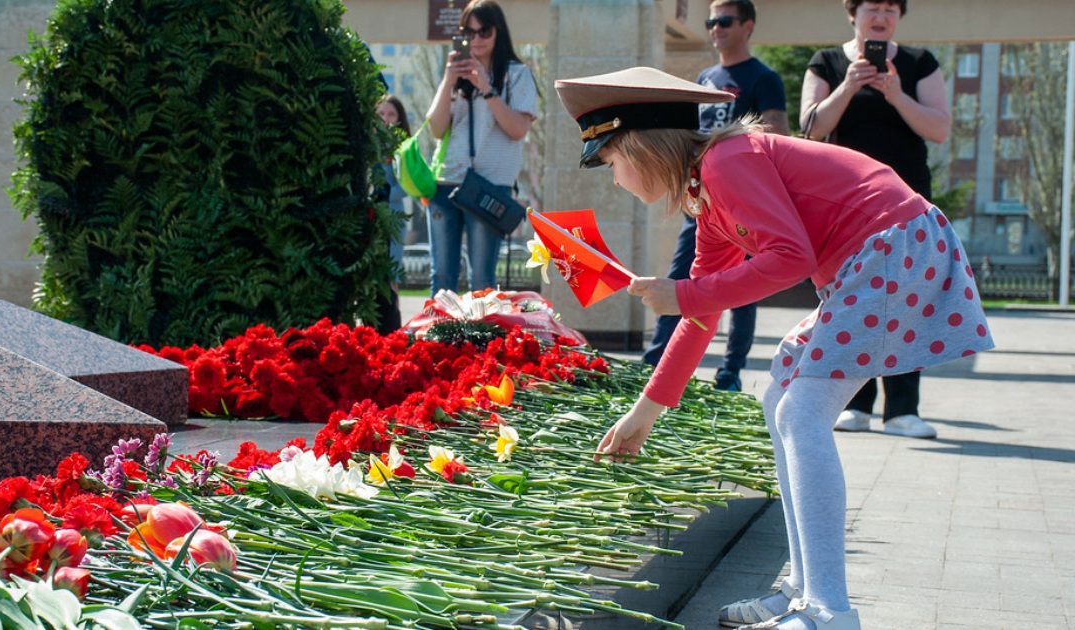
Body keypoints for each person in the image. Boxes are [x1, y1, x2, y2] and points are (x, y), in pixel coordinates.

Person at [554, 66, 993, 629]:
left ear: (642, 146)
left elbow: (790, 259)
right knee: (781, 395)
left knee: (801, 412)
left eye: (611, 162)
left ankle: (829, 611)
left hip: (891, 247)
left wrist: (684, 292)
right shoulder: (708, 194)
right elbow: (703, 313)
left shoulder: (725, 162)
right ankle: (801, 591)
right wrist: (646, 413)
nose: (614, 180)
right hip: (878, 255)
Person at [800, 0, 950, 440]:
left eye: (890, 8)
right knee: (849, 298)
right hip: (845, 203)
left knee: (909, 299)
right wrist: (847, 86)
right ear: (853, 13)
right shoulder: (826, 62)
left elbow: (939, 129)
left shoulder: (919, 63)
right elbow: (810, 128)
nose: (880, 17)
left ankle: (902, 410)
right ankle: (854, 405)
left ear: (899, 15)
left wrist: (896, 93)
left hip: (908, 202)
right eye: (872, 7)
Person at [641, 0, 789, 394]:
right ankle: (655, 362)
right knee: (682, 277)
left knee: (742, 286)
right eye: (711, 22)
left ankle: (730, 371)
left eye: (724, 21)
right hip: (703, 200)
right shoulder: (706, 76)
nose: (715, 29)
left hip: (747, 202)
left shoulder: (764, 78)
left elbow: (776, 134)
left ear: (748, 26)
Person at [424, 0, 536, 297]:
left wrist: (486, 87)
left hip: (489, 187)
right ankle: (437, 342)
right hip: (445, 181)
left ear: (498, 31)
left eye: (483, 31)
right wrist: (449, 79)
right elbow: (435, 128)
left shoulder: (517, 74)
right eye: (468, 32)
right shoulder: (454, 75)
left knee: (482, 281)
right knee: (442, 276)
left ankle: (480, 344)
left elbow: (517, 130)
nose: (475, 39)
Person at [373, 94, 413, 334]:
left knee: (390, 273)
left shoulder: (403, 148)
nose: (386, 119)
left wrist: (384, 195)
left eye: (391, 115)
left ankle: (391, 330)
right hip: (370, 216)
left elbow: (407, 186)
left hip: (394, 217)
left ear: (399, 119)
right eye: (381, 114)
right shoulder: (368, 145)